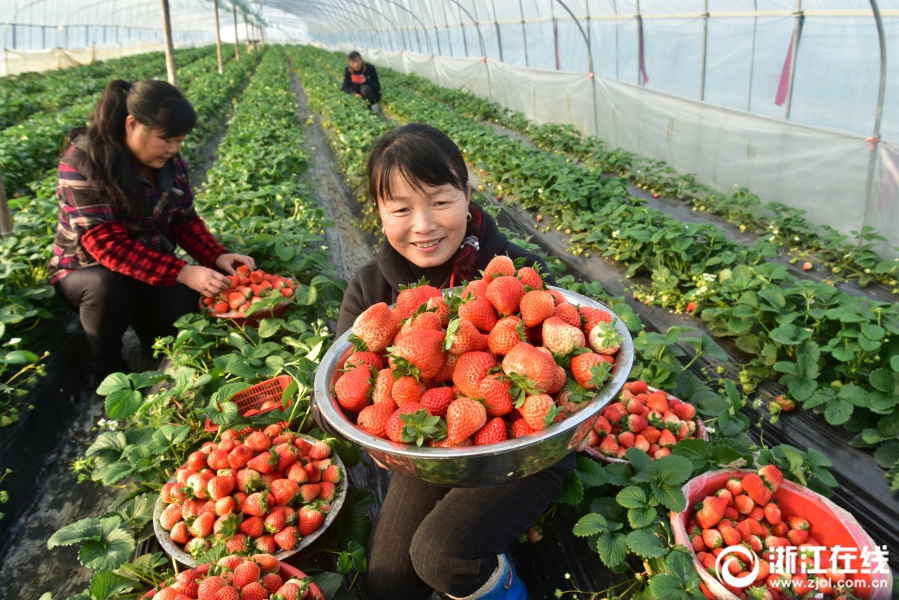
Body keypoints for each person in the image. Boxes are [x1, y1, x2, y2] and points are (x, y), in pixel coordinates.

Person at [336, 123, 576, 600]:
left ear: (467, 195)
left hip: (526, 445)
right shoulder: (372, 294)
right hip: (429, 452)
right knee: (386, 585)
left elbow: (561, 371)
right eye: (401, 208)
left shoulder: (520, 272)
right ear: (380, 213)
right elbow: (349, 388)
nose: (423, 224)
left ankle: (505, 589)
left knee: (439, 555)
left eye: (440, 202)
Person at [48, 79, 254, 377]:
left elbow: (185, 220)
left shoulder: (172, 163)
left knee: (182, 308)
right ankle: (107, 367)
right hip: (86, 271)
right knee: (107, 288)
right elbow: (107, 246)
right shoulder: (83, 162)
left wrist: (217, 256)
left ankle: (153, 346)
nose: (173, 149)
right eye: (166, 139)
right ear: (132, 124)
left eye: (179, 141)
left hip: (150, 265)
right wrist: (182, 271)